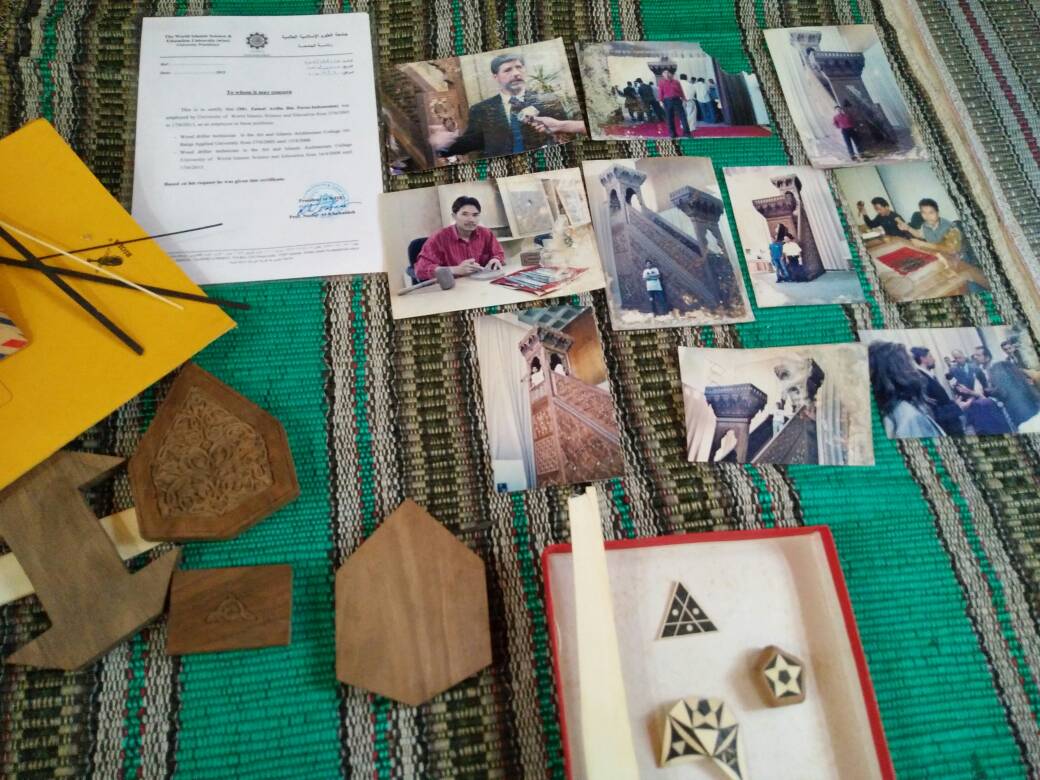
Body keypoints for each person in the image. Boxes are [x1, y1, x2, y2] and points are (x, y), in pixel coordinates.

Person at [439, 53, 584, 158]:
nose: (516, 73)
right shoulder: (481, 109)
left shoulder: (548, 100)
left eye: (519, 67)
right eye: (508, 70)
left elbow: (569, 136)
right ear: (495, 77)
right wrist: (443, 145)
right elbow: (471, 143)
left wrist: (555, 135)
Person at [414, 196, 505, 282]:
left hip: (479, 283)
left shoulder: (486, 233)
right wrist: (455, 270)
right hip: (453, 286)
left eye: (475, 215)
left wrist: (496, 259)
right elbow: (420, 270)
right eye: (465, 214)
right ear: (454, 216)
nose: (471, 219)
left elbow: (498, 253)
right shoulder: (439, 238)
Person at [868, 341, 946, 438]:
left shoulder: (890, 410)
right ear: (899, 370)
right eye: (909, 362)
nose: (914, 367)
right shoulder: (910, 417)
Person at [945, 350, 1012, 435]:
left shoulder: (975, 368)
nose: (958, 360)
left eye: (960, 357)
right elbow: (956, 389)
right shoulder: (953, 371)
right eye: (956, 358)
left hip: (982, 401)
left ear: (964, 356)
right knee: (978, 428)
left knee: (989, 425)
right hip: (967, 404)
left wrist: (974, 396)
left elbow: (984, 386)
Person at [911, 347, 965, 435]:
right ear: (923, 359)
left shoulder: (928, 376)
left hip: (951, 424)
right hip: (947, 427)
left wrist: (954, 403)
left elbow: (940, 401)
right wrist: (956, 406)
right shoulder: (922, 379)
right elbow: (933, 411)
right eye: (930, 356)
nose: (934, 359)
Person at [897, 198, 962, 255]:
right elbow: (919, 234)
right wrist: (908, 228)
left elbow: (952, 250)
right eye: (924, 213)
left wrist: (924, 244)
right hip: (937, 255)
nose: (927, 216)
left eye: (931, 212)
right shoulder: (926, 225)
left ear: (938, 213)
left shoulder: (950, 227)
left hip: (955, 260)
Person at [659, 71, 691, 138]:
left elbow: (661, 92)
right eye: (666, 74)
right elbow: (681, 91)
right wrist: (684, 98)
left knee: (673, 117)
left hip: (671, 100)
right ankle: (684, 133)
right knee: (679, 117)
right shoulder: (674, 82)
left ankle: (675, 134)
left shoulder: (667, 82)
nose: (667, 75)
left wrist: (661, 101)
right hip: (672, 100)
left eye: (668, 74)